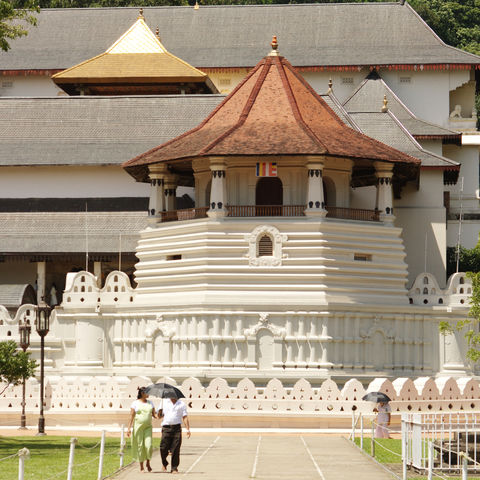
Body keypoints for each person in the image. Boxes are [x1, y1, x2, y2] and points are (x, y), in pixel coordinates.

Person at [157, 397, 191, 474]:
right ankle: (164, 463)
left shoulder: (181, 404)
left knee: (176, 449)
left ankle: (174, 468)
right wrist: (160, 412)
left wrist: (188, 429)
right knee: (163, 448)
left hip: (177, 429)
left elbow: (185, 417)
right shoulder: (164, 402)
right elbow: (159, 416)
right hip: (166, 427)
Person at [127, 387, 156, 473]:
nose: (148, 394)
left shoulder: (150, 403)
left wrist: (161, 414)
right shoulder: (135, 403)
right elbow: (131, 416)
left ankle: (148, 462)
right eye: (147, 393)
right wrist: (128, 428)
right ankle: (141, 467)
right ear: (142, 393)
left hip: (148, 427)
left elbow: (155, 415)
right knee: (140, 446)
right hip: (138, 428)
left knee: (148, 445)